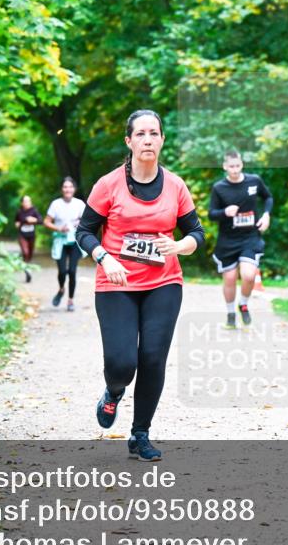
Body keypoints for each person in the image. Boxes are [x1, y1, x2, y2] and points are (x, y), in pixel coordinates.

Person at [75, 109, 205, 461]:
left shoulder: (176, 185)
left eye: (154, 133)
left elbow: (197, 233)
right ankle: (113, 392)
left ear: (162, 140)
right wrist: (105, 257)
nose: (148, 139)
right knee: (122, 363)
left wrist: (178, 246)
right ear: (129, 141)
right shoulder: (109, 184)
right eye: (141, 134)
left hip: (164, 282)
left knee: (152, 358)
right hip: (115, 282)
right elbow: (84, 231)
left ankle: (140, 434)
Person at [207, 150, 273, 328]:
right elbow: (211, 214)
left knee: (249, 275)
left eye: (237, 166)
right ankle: (230, 314)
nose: (234, 170)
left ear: (242, 165)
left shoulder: (254, 181)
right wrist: (224, 212)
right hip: (228, 239)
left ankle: (243, 304)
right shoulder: (219, 188)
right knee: (229, 278)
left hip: (250, 237)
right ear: (225, 167)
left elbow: (268, 198)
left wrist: (266, 215)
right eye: (231, 167)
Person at [44, 177, 86, 312]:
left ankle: (70, 300)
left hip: (75, 241)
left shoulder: (79, 204)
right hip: (60, 241)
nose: (68, 189)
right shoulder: (56, 204)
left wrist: (79, 223)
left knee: (72, 271)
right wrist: (59, 228)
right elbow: (46, 221)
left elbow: (86, 220)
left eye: (70, 187)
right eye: (65, 187)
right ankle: (61, 289)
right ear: (62, 189)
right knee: (62, 271)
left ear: (74, 189)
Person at [14, 196, 40, 283]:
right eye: (25, 201)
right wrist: (21, 222)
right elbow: (16, 222)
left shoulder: (34, 210)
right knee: (25, 252)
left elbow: (41, 221)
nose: (27, 203)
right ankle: (27, 269)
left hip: (31, 235)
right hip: (22, 235)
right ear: (22, 203)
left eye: (29, 201)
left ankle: (26, 267)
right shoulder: (19, 212)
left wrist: (34, 220)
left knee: (30, 255)